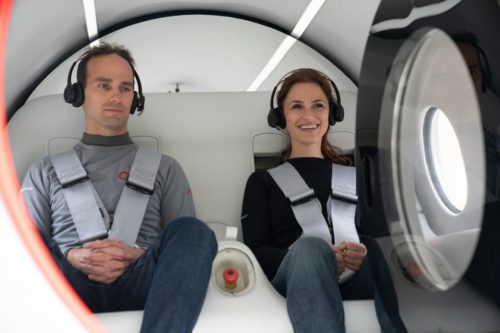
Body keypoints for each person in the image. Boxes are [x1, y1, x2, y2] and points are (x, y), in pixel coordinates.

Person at [20, 43, 217, 333]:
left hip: (142, 280)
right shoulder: (44, 170)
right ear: (79, 94)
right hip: (67, 283)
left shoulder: (166, 168)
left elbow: (183, 252)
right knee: (22, 236)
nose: (116, 96)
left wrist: (133, 255)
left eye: (125, 88)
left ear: (135, 99)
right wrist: (72, 256)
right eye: (104, 85)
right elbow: (24, 251)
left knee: (195, 232)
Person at [241, 68, 398, 332]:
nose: (308, 116)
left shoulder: (358, 178)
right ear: (281, 117)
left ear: (332, 114)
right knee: (310, 248)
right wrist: (319, 257)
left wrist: (361, 253)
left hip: (356, 275)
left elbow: (381, 238)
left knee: (376, 246)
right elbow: (257, 251)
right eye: (296, 107)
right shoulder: (262, 182)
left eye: (318, 106)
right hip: (294, 275)